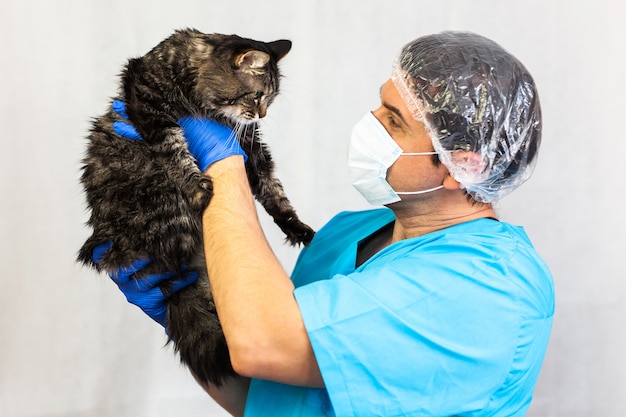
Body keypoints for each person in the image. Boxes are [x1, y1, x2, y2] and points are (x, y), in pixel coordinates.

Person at [100, 31, 554, 416]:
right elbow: (267, 397)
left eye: (393, 122)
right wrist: (183, 316)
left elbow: (263, 345)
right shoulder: (347, 233)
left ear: (462, 164)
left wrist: (223, 165)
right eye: (380, 105)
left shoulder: (488, 285)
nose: (369, 124)